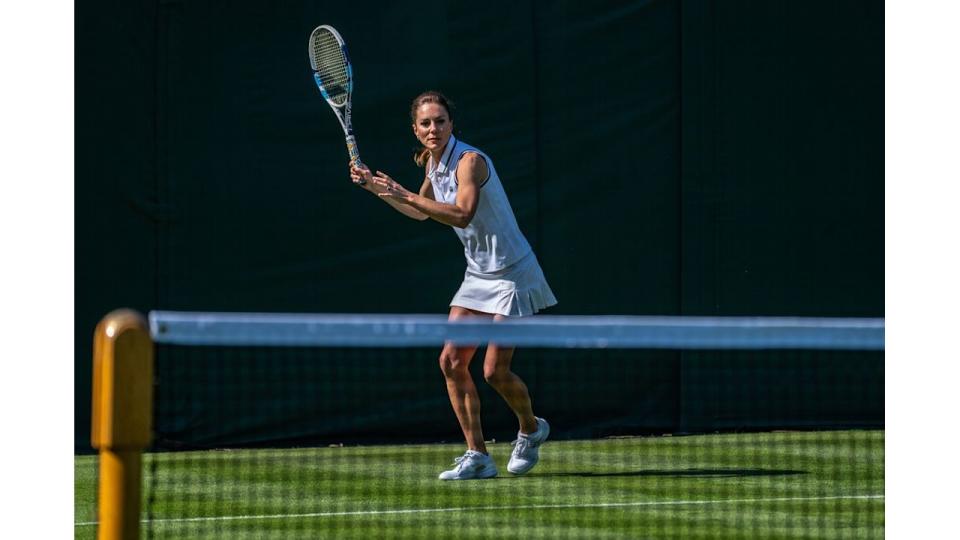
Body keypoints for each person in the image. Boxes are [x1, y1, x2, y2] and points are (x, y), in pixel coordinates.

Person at [349, 91, 557, 480]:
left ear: (451, 124)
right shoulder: (432, 163)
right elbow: (418, 212)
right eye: (425, 123)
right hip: (478, 274)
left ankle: (530, 427)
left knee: (495, 371)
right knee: (451, 361)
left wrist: (403, 191)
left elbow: (461, 215)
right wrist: (374, 187)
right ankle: (477, 456)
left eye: (440, 121)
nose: (433, 129)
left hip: (512, 272)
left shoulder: (470, 162)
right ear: (416, 129)